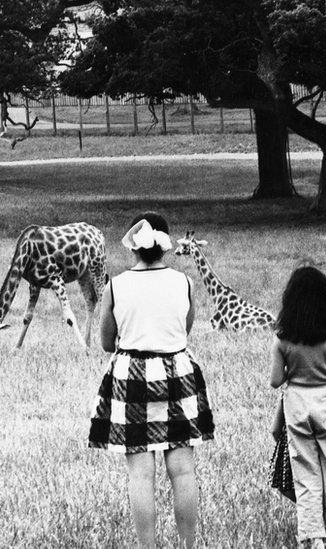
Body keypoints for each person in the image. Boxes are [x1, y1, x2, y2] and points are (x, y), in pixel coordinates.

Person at [88, 212, 214, 549]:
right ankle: (187, 545)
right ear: (165, 245)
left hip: (132, 377)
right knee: (183, 471)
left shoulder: (116, 285)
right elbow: (183, 331)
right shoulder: (183, 283)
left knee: (141, 474)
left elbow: (105, 342)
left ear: (133, 246)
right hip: (177, 371)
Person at [269, 266, 326, 549]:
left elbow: (275, 381)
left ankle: (313, 538)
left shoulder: (282, 338)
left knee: (306, 474)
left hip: (297, 405)